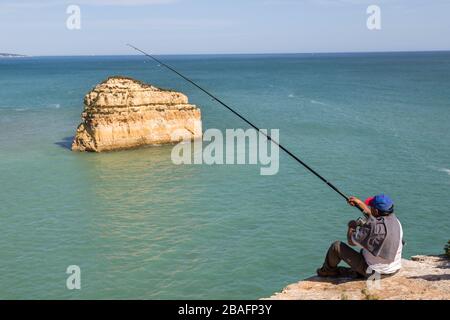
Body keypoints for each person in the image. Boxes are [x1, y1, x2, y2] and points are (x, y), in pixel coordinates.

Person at [316, 194, 403, 278]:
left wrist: (352, 227)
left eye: (371, 207)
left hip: (374, 272)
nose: (369, 207)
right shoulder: (397, 222)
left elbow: (351, 241)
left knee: (336, 246)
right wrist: (360, 204)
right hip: (393, 269)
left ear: (376, 211)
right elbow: (374, 218)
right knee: (364, 248)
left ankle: (327, 271)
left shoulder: (371, 228)